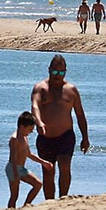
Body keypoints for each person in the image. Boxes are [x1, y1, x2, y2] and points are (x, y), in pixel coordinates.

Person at [30, 53, 89, 199]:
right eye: (55, 72)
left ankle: (63, 198)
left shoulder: (71, 90)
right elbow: (35, 106)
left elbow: (80, 115)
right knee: (48, 171)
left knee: (64, 165)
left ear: (65, 72)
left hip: (65, 136)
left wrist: (85, 138)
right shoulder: (40, 88)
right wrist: (39, 121)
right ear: (49, 70)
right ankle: (49, 201)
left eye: (61, 72)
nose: (58, 75)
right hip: (45, 137)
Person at [6, 111, 53, 209]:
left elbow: (29, 154)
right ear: (23, 127)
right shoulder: (14, 139)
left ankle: (25, 206)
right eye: (30, 129)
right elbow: (13, 158)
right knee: (14, 195)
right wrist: (15, 174)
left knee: (38, 184)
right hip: (13, 169)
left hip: (21, 169)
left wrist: (43, 162)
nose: (31, 132)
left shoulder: (24, 137)